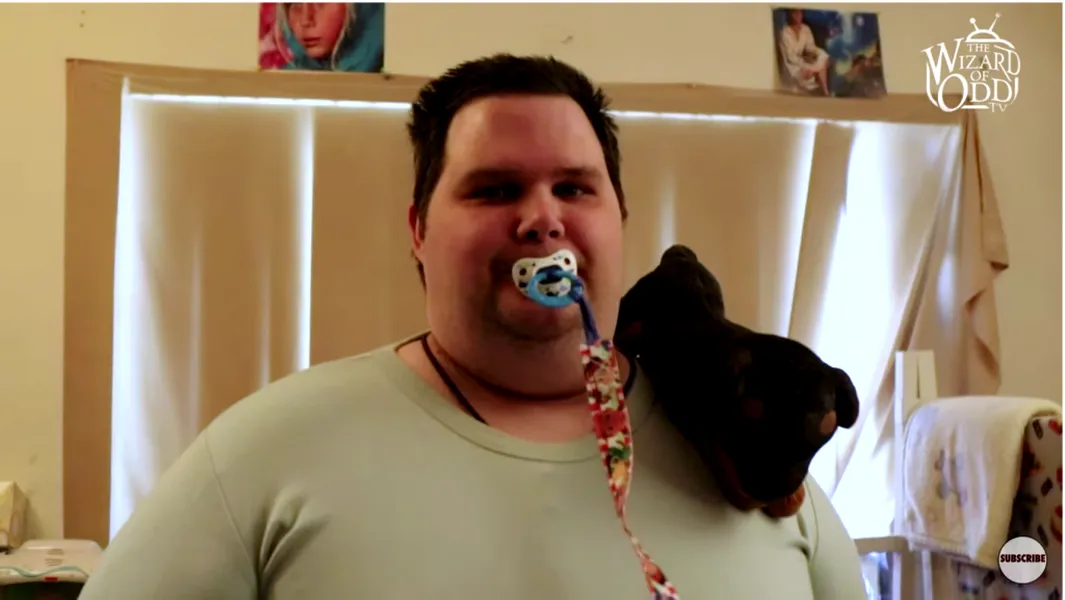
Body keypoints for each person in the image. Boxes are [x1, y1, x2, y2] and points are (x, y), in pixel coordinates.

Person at [79, 54, 867, 599]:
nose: (542, 219)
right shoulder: (262, 454)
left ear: (619, 219)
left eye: (574, 188)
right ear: (418, 231)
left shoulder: (750, 453)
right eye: (493, 189)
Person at [779, 9, 832, 96]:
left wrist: (815, 54)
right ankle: (816, 80)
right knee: (808, 72)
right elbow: (790, 57)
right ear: (791, 15)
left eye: (800, 13)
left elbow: (810, 47)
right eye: (795, 13)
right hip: (792, 65)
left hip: (804, 60)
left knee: (823, 57)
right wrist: (805, 65)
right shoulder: (786, 32)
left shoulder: (805, 29)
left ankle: (825, 91)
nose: (798, 16)